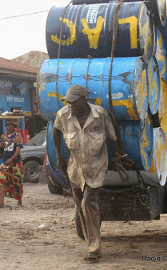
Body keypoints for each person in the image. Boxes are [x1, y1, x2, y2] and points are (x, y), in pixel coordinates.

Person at [53, 84, 117, 261]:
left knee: (88, 201)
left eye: (74, 101)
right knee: (80, 204)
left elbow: (114, 136)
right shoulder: (63, 114)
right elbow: (55, 130)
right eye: (68, 101)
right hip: (75, 168)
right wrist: (59, 156)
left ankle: (94, 248)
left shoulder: (100, 114)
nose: (70, 105)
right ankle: (92, 233)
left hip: (96, 166)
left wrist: (121, 155)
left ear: (83, 100)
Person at [0, 118, 24, 208]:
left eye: (10, 125)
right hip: (5, 162)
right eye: (7, 125)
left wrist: (12, 158)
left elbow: (18, 150)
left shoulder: (18, 136)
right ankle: (1, 202)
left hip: (16, 163)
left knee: (17, 181)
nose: (9, 127)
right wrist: (0, 146)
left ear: (14, 126)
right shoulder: (3, 136)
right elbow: (1, 148)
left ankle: (19, 201)